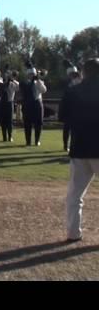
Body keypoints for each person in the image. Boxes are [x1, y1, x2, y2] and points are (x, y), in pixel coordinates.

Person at [58, 58, 99, 242]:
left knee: (75, 196)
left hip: (79, 147)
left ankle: (73, 233)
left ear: (84, 72)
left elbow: (62, 116)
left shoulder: (73, 91)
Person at [20, 60, 47, 147]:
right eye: (30, 74)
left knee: (39, 123)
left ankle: (37, 140)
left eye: (33, 74)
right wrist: (32, 81)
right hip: (28, 104)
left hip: (37, 103)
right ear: (28, 75)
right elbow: (24, 90)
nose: (32, 76)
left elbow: (44, 90)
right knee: (27, 123)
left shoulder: (39, 82)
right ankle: (28, 141)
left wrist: (38, 80)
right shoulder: (25, 82)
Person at [62, 60, 82, 152]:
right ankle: (66, 145)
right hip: (69, 108)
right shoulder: (66, 83)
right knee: (67, 128)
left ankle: (75, 145)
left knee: (76, 129)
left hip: (78, 108)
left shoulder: (80, 81)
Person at [0, 67, 20, 142]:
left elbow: (18, 87)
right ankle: (4, 137)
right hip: (2, 103)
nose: (7, 76)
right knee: (3, 121)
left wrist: (13, 80)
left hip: (9, 103)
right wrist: (7, 81)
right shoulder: (1, 82)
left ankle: (10, 136)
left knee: (9, 121)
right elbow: (2, 87)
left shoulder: (13, 83)